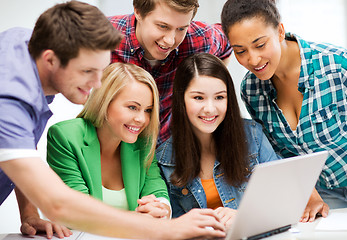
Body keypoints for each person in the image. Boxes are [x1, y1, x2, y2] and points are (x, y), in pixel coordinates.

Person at [0, 1, 226, 239]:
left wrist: (27, 213)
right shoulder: (9, 102)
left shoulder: (26, 45)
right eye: (87, 71)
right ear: (51, 60)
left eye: (101, 70)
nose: (98, 85)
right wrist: (168, 229)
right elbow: (57, 205)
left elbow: (22, 143)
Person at [219, 0, 347, 219]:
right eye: (240, 51)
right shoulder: (251, 90)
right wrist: (309, 194)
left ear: (280, 31)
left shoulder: (338, 66)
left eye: (260, 45)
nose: (253, 59)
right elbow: (281, 154)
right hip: (322, 196)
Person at [156, 52, 279, 230]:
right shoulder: (164, 159)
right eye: (198, 98)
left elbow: (280, 198)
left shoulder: (252, 136)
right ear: (181, 99)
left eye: (220, 97)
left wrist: (244, 217)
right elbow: (173, 227)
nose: (210, 108)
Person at [47, 62, 170, 218]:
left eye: (148, 110)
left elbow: (156, 188)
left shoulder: (143, 142)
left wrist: (161, 210)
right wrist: (137, 221)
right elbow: (79, 210)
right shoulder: (65, 136)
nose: (141, 119)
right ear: (104, 101)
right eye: (132, 107)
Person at [108, 0, 232, 148]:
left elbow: (227, 43)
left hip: (167, 146)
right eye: (163, 26)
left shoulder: (201, 38)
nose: (170, 40)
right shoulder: (104, 37)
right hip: (112, 146)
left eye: (181, 29)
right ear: (138, 12)